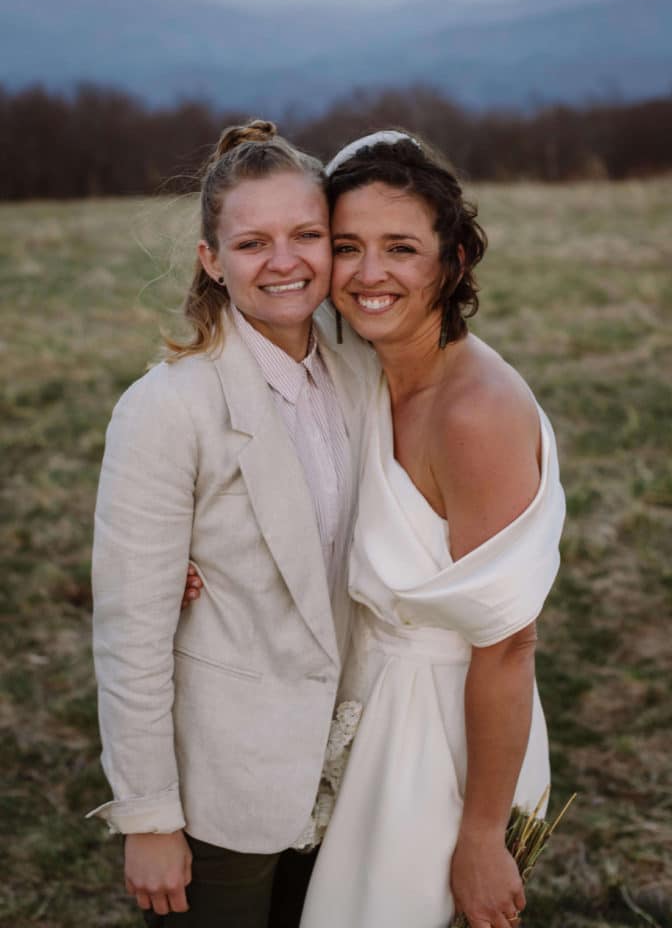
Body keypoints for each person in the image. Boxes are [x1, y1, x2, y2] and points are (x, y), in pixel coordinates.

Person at [88, 119, 374, 928]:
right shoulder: (166, 409)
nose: (284, 262)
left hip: (344, 770)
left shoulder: (357, 373)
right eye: (252, 244)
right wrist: (148, 816)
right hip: (225, 786)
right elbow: (131, 632)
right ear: (211, 260)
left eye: (306, 236)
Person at [294, 131, 566, 928]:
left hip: (441, 743)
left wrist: (480, 835)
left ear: (450, 264)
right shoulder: (361, 371)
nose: (369, 274)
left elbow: (509, 643)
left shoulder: (473, 412)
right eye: (347, 247)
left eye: (400, 248)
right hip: (366, 706)